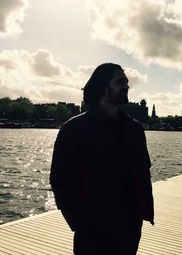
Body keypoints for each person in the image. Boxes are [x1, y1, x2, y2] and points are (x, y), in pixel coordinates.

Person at [50, 63, 154, 255]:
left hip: (129, 229)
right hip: (93, 234)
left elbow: (143, 172)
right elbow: (61, 181)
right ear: (102, 86)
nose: (126, 86)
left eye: (127, 82)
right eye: (120, 82)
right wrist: (81, 224)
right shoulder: (74, 130)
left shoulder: (135, 129)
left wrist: (139, 216)